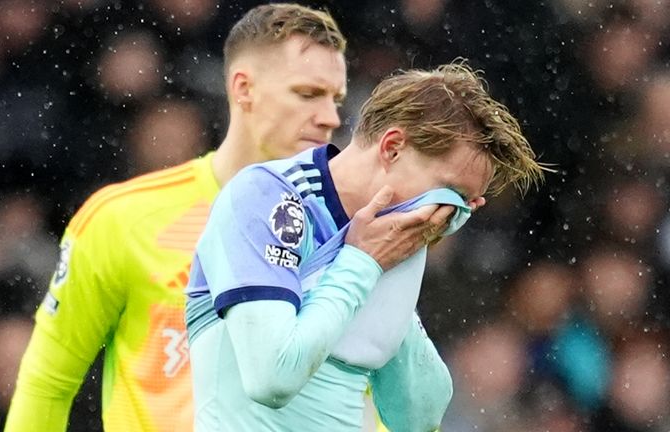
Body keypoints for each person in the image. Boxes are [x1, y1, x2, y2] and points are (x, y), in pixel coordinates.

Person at [4, 4, 349, 431]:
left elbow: (369, 397)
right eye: (308, 94)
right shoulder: (124, 219)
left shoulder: (346, 232)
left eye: (336, 100)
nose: (330, 118)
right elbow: (48, 382)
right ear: (244, 89)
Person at [185, 62, 546, 431]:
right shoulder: (266, 197)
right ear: (392, 148)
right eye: (449, 195)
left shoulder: (386, 243)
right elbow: (272, 377)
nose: (446, 218)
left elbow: (418, 418)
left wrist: (379, 272)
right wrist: (362, 262)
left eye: (465, 208)